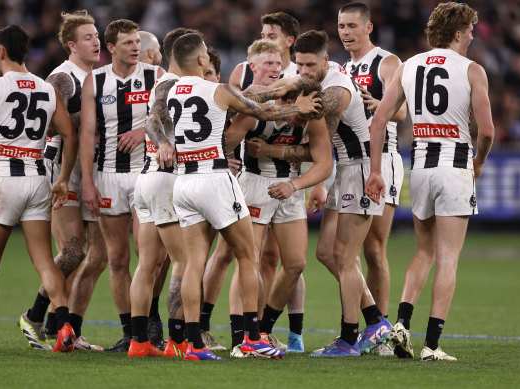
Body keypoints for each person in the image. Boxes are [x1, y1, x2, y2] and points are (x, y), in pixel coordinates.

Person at [159, 32, 320, 360]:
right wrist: (299, 104)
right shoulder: (218, 90)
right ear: (202, 60)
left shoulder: (169, 91)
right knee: (248, 256)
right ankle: (250, 338)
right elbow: (259, 111)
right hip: (215, 177)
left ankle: (193, 344)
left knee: (193, 263)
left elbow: (157, 122)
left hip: (183, 180)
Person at [249, 30, 392, 357]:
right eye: (299, 64)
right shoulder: (306, 77)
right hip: (345, 171)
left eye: (310, 65)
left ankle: (348, 339)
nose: (304, 71)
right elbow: (280, 89)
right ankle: (376, 321)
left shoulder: (336, 93)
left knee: (345, 257)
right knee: (327, 254)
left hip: (361, 171)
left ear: (326, 61)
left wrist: (271, 150)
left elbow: (316, 152)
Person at [364, 2, 494, 361]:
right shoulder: (471, 70)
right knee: (448, 258)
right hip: (454, 166)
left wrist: (376, 170)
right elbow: (486, 132)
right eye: (469, 31)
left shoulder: (408, 66)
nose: (471, 36)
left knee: (424, 252)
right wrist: (479, 162)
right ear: (457, 33)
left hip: (419, 166)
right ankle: (431, 345)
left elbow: (379, 121)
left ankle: (401, 325)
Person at [0, 25, 78, 353]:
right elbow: (68, 135)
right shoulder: (46, 89)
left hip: (3, 179)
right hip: (38, 179)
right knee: (44, 261)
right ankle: (65, 322)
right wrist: (62, 180)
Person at [314, 1, 407, 356]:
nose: (346, 32)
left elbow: (404, 112)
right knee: (330, 253)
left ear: (369, 28)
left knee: (372, 249)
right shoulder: (339, 68)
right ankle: (374, 325)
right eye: (341, 26)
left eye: (352, 26)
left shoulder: (387, 62)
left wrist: (380, 105)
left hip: (379, 161)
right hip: (347, 163)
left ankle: (375, 331)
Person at [226, 68, 332, 358]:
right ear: (290, 99)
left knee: (296, 264)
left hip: (289, 185)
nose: (304, 119)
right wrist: (228, 162)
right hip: (255, 185)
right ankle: (241, 337)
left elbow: (325, 163)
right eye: (302, 111)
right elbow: (228, 138)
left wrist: (294, 185)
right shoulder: (261, 109)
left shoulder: (313, 112)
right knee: (250, 261)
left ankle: (263, 330)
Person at [17, 9, 105, 352]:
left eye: (96, 35)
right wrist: (90, 116)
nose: (96, 41)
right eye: (88, 37)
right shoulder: (63, 78)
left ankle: (65, 329)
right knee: (71, 251)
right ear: (71, 45)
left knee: (98, 255)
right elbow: (49, 126)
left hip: (93, 169)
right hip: (60, 167)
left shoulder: (97, 76)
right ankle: (35, 316)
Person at [80, 19, 160, 352]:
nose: (135, 47)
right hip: (108, 174)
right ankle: (130, 332)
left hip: (146, 174)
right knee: (115, 258)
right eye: (127, 43)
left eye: (136, 42)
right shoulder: (95, 81)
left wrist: (143, 131)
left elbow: (169, 118)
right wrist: (87, 182)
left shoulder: (156, 76)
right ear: (111, 48)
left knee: (148, 255)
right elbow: (86, 133)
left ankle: (148, 327)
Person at [127, 27, 198, 358]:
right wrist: (165, 143)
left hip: (145, 180)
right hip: (164, 178)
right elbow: (153, 121)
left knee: (149, 264)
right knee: (182, 261)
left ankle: (139, 342)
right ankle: (177, 342)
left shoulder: (165, 83)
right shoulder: (171, 83)